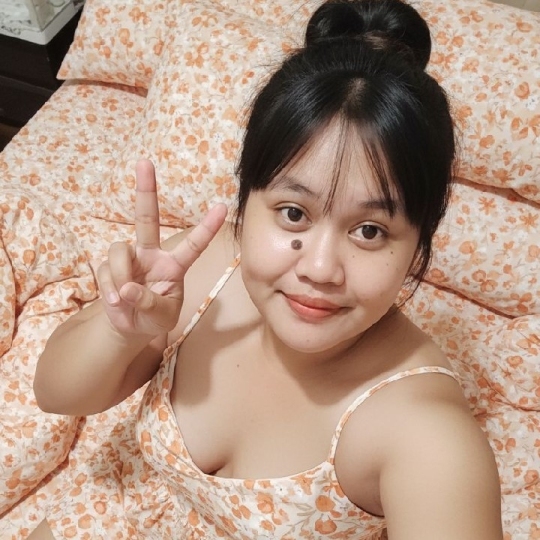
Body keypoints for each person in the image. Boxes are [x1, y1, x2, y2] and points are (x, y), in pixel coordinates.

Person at [30, 0, 503, 538]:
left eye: (369, 231)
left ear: (419, 245)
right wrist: (121, 334)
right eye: (294, 213)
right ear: (246, 200)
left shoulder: (426, 436)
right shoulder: (206, 266)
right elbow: (56, 397)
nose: (320, 269)